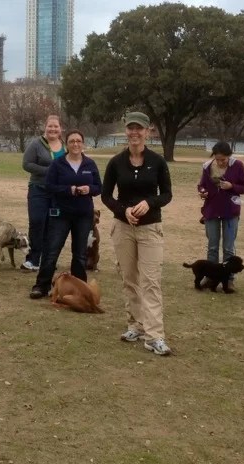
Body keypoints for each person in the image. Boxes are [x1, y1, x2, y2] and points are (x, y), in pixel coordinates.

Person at [101, 112, 173, 356]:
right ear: (125, 131)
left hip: (150, 228)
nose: (135, 133)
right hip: (123, 229)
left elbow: (166, 194)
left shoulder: (157, 161)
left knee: (150, 282)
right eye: (130, 128)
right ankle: (136, 325)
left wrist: (149, 203)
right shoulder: (116, 162)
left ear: (148, 131)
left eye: (139, 129)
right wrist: (124, 210)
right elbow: (106, 195)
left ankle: (155, 335)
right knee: (129, 279)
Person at [29, 129, 101, 298]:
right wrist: (70, 190)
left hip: (83, 215)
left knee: (80, 253)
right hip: (61, 213)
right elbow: (49, 186)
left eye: (78, 141)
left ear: (83, 144)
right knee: (51, 250)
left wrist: (89, 189)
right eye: (71, 141)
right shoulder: (58, 164)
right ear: (66, 144)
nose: (75, 144)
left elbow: (99, 187)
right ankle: (42, 285)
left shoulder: (90, 164)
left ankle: (79, 288)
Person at [196, 141, 244, 292]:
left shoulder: (237, 165)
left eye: (223, 159)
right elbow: (202, 185)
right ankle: (210, 277)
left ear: (229, 156)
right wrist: (202, 191)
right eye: (218, 159)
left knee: (228, 247)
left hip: (230, 211)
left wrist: (232, 186)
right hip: (211, 210)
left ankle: (229, 279)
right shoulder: (207, 166)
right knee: (212, 246)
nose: (220, 162)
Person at [21, 115, 65, 272]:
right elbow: (26, 164)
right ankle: (32, 260)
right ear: (45, 127)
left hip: (57, 194)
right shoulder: (36, 144)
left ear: (61, 129)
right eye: (50, 126)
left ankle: (49, 260)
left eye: (56, 126)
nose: (53, 129)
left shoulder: (64, 146)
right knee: (37, 222)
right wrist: (49, 171)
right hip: (38, 190)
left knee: (53, 226)